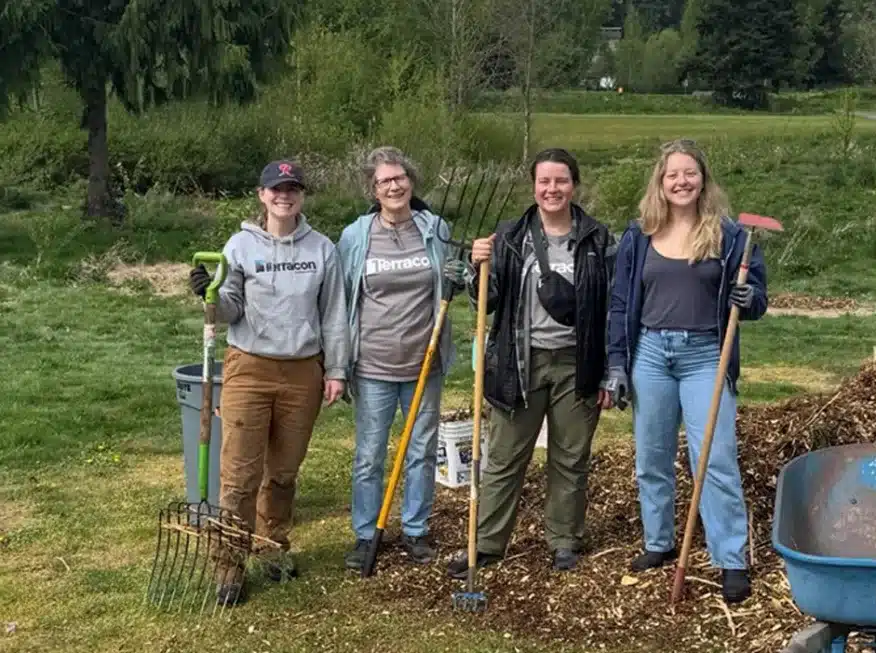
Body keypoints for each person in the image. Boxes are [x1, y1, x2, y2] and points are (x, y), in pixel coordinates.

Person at [603, 138, 768, 604]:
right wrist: (616, 363)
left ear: (703, 179)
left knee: (714, 458)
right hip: (651, 354)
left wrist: (749, 298)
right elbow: (620, 304)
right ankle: (659, 542)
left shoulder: (731, 237)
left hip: (706, 356)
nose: (681, 181)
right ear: (660, 182)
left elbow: (757, 298)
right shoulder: (639, 235)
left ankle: (730, 558)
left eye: (689, 173)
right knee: (651, 457)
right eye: (672, 174)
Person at [445, 147, 618, 578]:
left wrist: (612, 368)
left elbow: (612, 307)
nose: (552, 189)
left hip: (577, 363)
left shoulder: (598, 239)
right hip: (519, 363)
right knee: (504, 456)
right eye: (544, 181)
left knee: (570, 457)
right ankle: (486, 543)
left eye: (561, 180)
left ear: (573, 185)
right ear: (534, 186)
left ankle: (564, 540)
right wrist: (477, 269)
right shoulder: (510, 236)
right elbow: (487, 303)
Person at [188, 159, 350, 606]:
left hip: (302, 371)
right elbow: (230, 308)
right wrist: (209, 295)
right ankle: (228, 564)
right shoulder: (240, 246)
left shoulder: (322, 249)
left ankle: (272, 546)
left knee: (282, 473)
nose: (284, 196)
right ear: (262, 195)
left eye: (292, 188)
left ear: (302, 196)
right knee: (240, 474)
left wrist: (336, 370)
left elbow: (334, 314)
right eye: (276, 189)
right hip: (249, 369)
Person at [336, 146, 462, 570]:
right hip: (373, 364)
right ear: (373, 190)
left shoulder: (436, 229)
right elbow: (342, 300)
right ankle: (366, 533)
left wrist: (460, 277)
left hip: (424, 362)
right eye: (385, 181)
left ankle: (415, 529)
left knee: (422, 449)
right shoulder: (356, 236)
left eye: (400, 178)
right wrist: (338, 361)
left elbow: (452, 279)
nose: (394, 186)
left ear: (411, 181)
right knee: (370, 454)